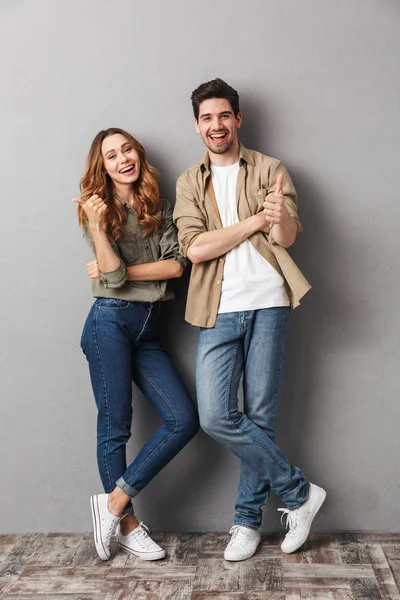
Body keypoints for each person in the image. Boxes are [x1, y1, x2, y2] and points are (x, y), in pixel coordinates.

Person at [173, 79, 326, 562]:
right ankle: (300, 493)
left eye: (223, 116)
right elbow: (196, 249)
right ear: (197, 125)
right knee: (216, 415)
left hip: (270, 303)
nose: (216, 126)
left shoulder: (270, 169)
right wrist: (254, 222)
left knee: (261, 415)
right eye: (206, 118)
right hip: (218, 307)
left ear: (237, 119)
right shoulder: (188, 182)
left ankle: (245, 522)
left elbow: (287, 236)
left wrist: (277, 217)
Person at [73, 127, 199, 562]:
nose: (122, 159)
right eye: (111, 155)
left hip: (149, 329)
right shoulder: (97, 210)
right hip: (108, 323)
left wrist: (122, 271)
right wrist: (97, 228)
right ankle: (127, 526)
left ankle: (111, 503)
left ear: (138, 155)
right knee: (115, 425)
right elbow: (109, 277)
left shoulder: (160, 207)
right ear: (103, 167)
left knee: (183, 419)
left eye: (127, 149)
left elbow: (176, 267)